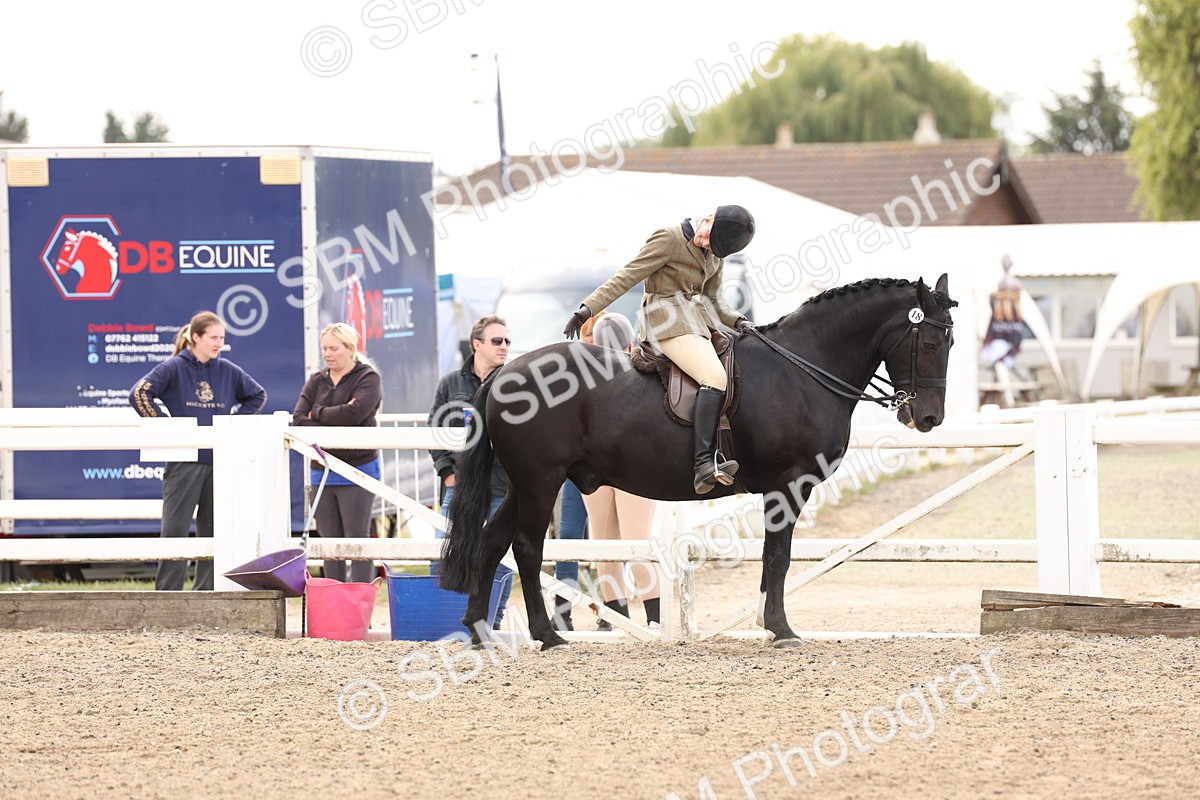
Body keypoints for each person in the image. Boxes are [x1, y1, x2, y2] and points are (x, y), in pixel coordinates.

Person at [564, 205, 756, 494]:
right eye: (707, 238)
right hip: (663, 321)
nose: (705, 245)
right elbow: (628, 275)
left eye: (712, 246)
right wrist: (587, 309)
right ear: (709, 218)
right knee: (714, 377)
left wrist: (740, 321)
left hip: (696, 322)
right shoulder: (668, 239)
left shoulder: (715, 254)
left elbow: (714, 301)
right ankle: (703, 462)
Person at [129, 311, 267, 591]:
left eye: (222, 338)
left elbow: (258, 395)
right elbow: (139, 394)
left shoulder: (227, 369)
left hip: (219, 459)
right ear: (196, 337)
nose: (219, 343)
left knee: (214, 529)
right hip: (184, 460)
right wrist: (168, 429)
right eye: (214, 338)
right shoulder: (174, 367)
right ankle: (168, 594)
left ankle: (206, 591)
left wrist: (232, 426)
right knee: (175, 529)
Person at [428, 315, 513, 625]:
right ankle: (445, 622)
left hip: (501, 484)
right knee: (442, 554)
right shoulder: (451, 383)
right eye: (497, 340)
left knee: (499, 556)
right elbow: (435, 429)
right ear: (477, 344)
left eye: (506, 341)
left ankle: (494, 621)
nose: (504, 347)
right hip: (460, 484)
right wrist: (446, 472)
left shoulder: (515, 381)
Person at [580, 313, 663, 629]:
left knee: (609, 543)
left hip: (602, 465)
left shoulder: (587, 379)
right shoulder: (643, 375)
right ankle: (650, 617)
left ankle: (616, 616)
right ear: (631, 343)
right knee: (629, 542)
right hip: (628, 464)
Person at [291, 323, 383, 584]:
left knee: (357, 542)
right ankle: (333, 598)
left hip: (358, 468)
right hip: (322, 470)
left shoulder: (368, 377)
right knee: (329, 544)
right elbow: (298, 418)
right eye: (324, 349)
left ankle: (360, 597)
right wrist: (334, 416)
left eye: (334, 348)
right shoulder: (316, 380)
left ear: (350, 349)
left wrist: (317, 413)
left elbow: (355, 414)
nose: (328, 354)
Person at [551, 312, 604, 632]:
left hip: (612, 466)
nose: (591, 344)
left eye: (596, 338)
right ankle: (562, 609)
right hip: (576, 466)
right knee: (568, 534)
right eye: (587, 338)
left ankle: (614, 609)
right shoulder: (568, 380)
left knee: (613, 539)